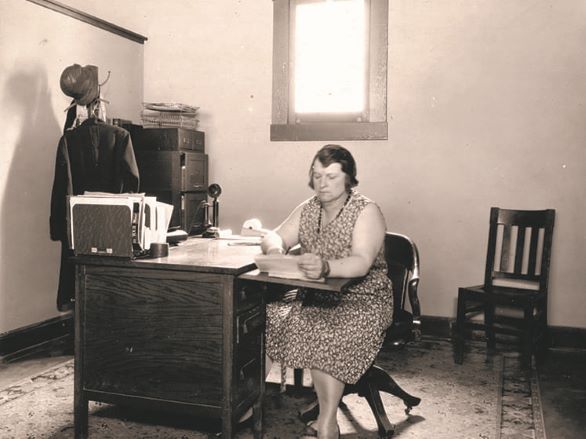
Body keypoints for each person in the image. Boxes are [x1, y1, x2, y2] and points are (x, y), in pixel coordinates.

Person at [261, 144, 393, 439]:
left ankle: (327, 421)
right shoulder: (308, 209)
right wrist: (275, 249)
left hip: (364, 298)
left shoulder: (366, 210)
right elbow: (275, 235)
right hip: (317, 294)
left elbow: (361, 263)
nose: (322, 183)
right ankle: (246, 401)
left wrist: (325, 267)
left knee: (326, 332)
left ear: (348, 178)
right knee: (268, 319)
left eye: (331, 176)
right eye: (317, 175)